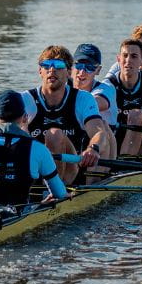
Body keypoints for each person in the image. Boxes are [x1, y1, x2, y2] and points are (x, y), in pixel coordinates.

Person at [23, 44, 116, 187]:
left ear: (68, 72)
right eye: (46, 65)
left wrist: (93, 148)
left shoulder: (82, 99)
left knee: (54, 134)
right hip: (36, 170)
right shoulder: (25, 99)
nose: (52, 69)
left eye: (58, 65)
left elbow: (99, 132)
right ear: (40, 71)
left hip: (71, 169)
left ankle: (54, 191)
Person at [0, 90, 68, 206]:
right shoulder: (38, 148)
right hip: (16, 214)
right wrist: (40, 205)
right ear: (25, 118)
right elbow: (60, 194)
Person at [71, 46, 118, 130]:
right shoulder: (64, 86)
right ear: (71, 67)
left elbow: (92, 103)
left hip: (105, 139)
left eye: (89, 67)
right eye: (79, 65)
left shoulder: (106, 89)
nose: (82, 72)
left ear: (98, 70)